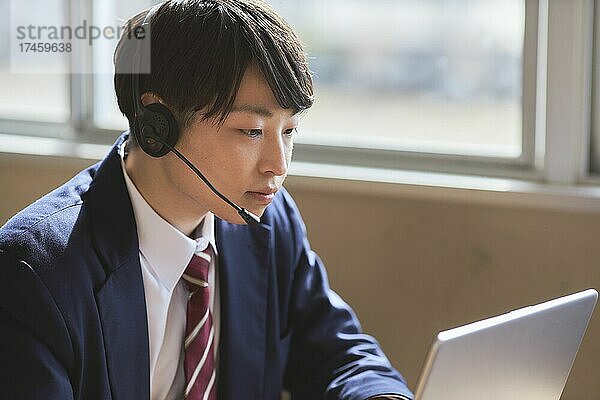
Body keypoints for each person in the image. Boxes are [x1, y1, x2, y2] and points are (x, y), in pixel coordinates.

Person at [0, 1, 413, 399]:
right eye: (252, 131)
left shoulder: (267, 222)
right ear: (156, 123)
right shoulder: (35, 274)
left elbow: (339, 354)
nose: (278, 165)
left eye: (289, 132)